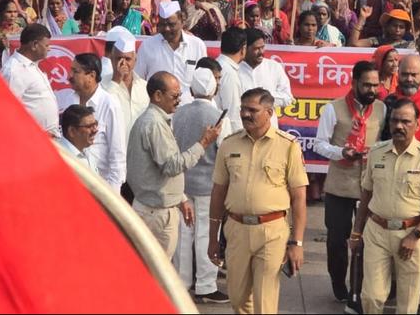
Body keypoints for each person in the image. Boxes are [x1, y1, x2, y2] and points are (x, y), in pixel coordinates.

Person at [208, 88, 309, 314]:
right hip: (236, 231)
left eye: (252, 110)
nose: (245, 114)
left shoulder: (288, 145)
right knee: (238, 298)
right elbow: (218, 192)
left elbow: (299, 197)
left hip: (272, 232)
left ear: (269, 113)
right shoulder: (229, 144)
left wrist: (297, 243)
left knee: (265, 302)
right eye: (243, 109)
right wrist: (213, 237)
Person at [350, 98, 420, 315]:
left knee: (407, 303)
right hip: (376, 231)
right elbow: (366, 193)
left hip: (410, 234)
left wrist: (415, 235)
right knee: (371, 296)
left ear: (417, 125)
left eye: (406, 121)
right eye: (395, 121)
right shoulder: (376, 152)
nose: (399, 126)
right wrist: (357, 232)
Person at [126, 71, 222, 260]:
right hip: (156, 212)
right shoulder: (154, 123)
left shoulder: (158, 120)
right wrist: (203, 143)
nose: (178, 100)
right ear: (158, 96)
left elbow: (160, 168)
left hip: (157, 207)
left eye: (179, 95)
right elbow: (172, 166)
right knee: (156, 272)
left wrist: (181, 198)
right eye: (175, 96)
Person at [313, 61, 387, 305]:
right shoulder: (333, 109)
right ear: (354, 83)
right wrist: (341, 152)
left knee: (368, 240)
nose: (371, 90)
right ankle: (339, 285)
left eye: (375, 85)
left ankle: (361, 286)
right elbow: (319, 144)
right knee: (337, 241)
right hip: (339, 186)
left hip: (371, 187)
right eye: (366, 84)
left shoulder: (382, 109)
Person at [172, 67, 231, 305]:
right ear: (214, 89)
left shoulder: (178, 113)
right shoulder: (218, 116)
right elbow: (224, 152)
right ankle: (206, 286)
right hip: (209, 185)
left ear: (190, 88)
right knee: (207, 234)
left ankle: (181, 283)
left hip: (182, 183)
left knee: (184, 234)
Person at [56, 52, 127, 191]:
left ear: (92, 76)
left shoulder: (110, 104)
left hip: (100, 187)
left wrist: (112, 197)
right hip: (71, 184)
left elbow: (117, 155)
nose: (70, 76)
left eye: (76, 71)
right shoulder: (67, 100)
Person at [135, 0, 209, 102]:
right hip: (157, 111)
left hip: (187, 111)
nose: (167, 29)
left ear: (182, 22)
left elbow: (204, 79)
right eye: (162, 24)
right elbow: (138, 81)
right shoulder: (147, 46)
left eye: (171, 24)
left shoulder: (197, 45)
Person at [1, 23, 59, 138]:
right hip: (33, 141)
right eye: (46, 45)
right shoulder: (13, 71)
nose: (49, 48)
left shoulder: (32, 66)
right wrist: (37, 135)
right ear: (34, 45)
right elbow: (6, 113)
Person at [238, 28, 294, 128]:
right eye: (256, 49)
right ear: (245, 48)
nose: (261, 52)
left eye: (262, 47)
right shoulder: (235, 69)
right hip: (241, 130)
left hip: (269, 131)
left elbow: (288, 98)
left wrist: (263, 98)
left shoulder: (274, 67)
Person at [103, 26, 149, 128]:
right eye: (119, 58)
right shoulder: (102, 84)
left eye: (127, 59)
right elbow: (103, 109)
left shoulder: (144, 86)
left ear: (135, 60)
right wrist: (116, 79)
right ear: (111, 59)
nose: (123, 63)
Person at [215, 27, 247, 135]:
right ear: (243, 49)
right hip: (225, 134)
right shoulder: (228, 72)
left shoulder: (218, 65)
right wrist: (238, 139)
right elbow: (232, 112)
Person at [57, 104, 97, 170]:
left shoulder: (87, 152)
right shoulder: (60, 159)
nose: (95, 130)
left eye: (95, 124)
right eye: (89, 126)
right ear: (72, 131)